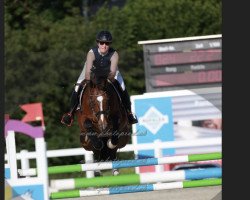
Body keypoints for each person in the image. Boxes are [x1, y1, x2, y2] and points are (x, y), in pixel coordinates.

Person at [61, 30, 138, 126]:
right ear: (98, 43)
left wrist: (104, 82)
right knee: (77, 87)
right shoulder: (91, 53)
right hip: (91, 71)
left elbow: (112, 74)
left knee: (122, 87)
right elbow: (88, 75)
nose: (104, 45)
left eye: (107, 43)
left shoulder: (114, 54)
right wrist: (96, 82)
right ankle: (70, 114)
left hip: (109, 72)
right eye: (102, 43)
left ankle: (129, 113)